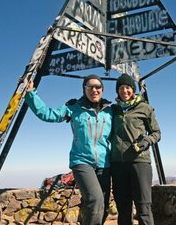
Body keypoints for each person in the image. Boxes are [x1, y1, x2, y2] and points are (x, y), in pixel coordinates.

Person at [25, 75, 112, 225]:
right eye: (90, 87)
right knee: (95, 200)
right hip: (82, 162)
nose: (94, 90)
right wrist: (31, 93)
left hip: (105, 164)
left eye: (98, 87)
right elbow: (48, 114)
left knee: (102, 206)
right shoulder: (73, 108)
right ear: (84, 90)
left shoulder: (110, 111)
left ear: (102, 90)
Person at [110, 73, 161, 225]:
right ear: (117, 91)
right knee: (123, 208)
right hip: (118, 164)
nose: (124, 91)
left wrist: (146, 141)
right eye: (121, 88)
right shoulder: (113, 110)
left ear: (132, 89)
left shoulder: (144, 108)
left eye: (127, 87)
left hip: (140, 162)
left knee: (143, 207)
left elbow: (157, 133)